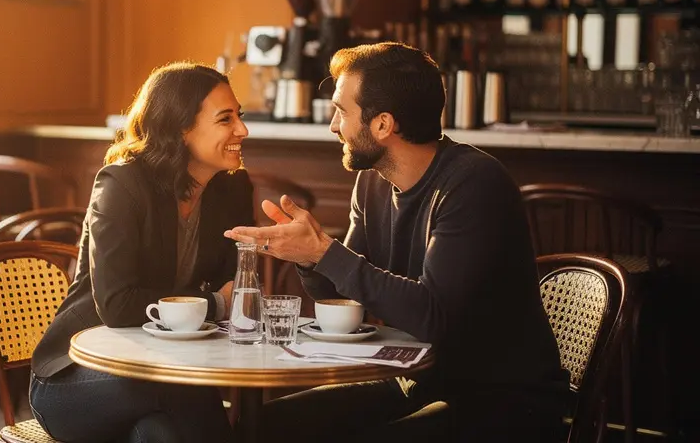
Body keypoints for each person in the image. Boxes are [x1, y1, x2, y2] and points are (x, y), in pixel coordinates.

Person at [224, 43, 567, 442]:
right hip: (417, 380)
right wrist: (306, 256)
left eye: (341, 111)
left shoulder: (473, 184)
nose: (334, 126)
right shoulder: (372, 182)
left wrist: (324, 252)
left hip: (502, 401)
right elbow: (341, 292)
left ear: (383, 124)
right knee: (264, 427)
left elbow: (434, 317)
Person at [30, 62, 253, 443]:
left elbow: (239, 289)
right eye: (225, 119)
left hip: (163, 369)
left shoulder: (231, 188)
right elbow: (117, 306)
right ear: (182, 129)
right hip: (77, 373)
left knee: (159, 433)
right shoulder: (122, 183)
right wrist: (214, 303)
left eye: (240, 117)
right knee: (181, 384)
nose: (242, 130)